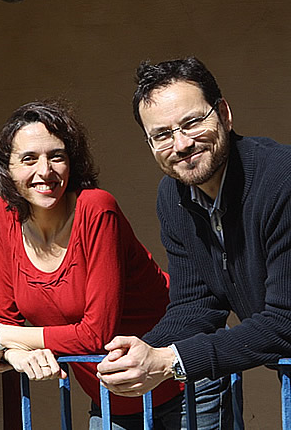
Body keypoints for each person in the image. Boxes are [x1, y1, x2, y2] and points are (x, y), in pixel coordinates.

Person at [97, 57, 291, 427]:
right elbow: (196, 306)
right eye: (163, 134)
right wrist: (145, 350)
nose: (182, 144)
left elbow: (286, 320)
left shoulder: (282, 180)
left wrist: (171, 360)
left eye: (192, 123)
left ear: (224, 114)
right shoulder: (174, 196)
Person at [0, 101, 182, 429]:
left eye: (56, 156)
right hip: (108, 396)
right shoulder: (3, 216)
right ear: (7, 168)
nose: (45, 171)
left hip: (181, 387)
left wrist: (5, 338)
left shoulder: (97, 209)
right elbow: (0, 319)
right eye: (29, 159)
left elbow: (95, 334)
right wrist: (14, 352)